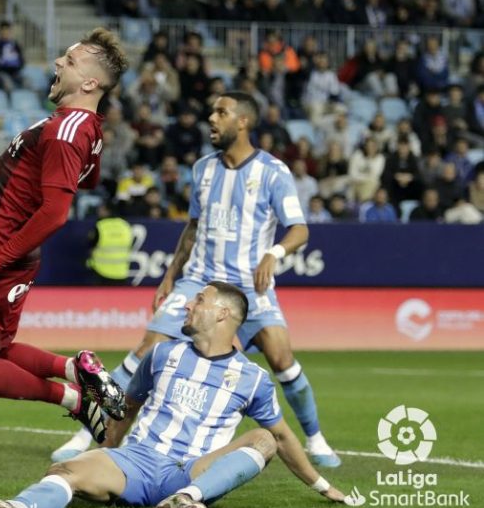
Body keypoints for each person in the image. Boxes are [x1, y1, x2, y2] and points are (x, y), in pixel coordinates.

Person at [53, 92, 342, 467]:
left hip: (250, 287)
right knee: (147, 347)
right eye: (212, 110)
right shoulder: (204, 168)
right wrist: (171, 276)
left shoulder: (273, 172)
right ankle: (90, 431)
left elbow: (299, 230)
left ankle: (316, 441)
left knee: (282, 359)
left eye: (221, 112)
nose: (211, 118)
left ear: (243, 122)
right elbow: (192, 227)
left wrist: (274, 254)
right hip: (200, 280)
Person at [0, 282, 349, 508]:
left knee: (261, 438)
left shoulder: (253, 377)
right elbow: (128, 407)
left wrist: (322, 486)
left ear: (224, 314)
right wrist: (105, 450)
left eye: (200, 301)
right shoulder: (162, 354)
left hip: (192, 470)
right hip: (137, 462)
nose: (189, 305)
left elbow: (280, 437)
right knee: (65, 469)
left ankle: (187, 499)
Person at [0, 28, 130, 444]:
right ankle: (76, 371)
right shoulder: (85, 126)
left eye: (71, 61)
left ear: (90, 83)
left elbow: (56, 212)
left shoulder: (66, 130)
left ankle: (74, 399)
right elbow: (91, 178)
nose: (59, 63)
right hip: (12, 252)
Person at [87, 203, 132, 284]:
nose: (98, 211)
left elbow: (91, 245)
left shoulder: (100, 226)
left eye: (101, 209)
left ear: (108, 211)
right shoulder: (125, 225)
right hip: (121, 273)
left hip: (101, 272)